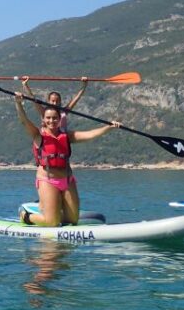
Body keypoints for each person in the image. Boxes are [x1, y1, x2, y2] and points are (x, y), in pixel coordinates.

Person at [14, 91, 120, 227]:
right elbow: (24, 121)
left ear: (59, 120)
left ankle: (48, 207)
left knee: (72, 221)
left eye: (54, 118)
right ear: (43, 120)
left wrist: (108, 128)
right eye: (48, 118)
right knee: (52, 222)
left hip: (67, 180)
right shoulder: (38, 135)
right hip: (48, 180)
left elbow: (90, 134)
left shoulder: (67, 136)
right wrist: (18, 103)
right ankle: (27, 215)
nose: (51, 121)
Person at [21, 76, 88, 131]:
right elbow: (32, 98)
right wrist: (25, 85)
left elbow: (76, 98)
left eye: (57, 101)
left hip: (61, 141)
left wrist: (84, 85)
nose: (55, 103)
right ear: (48, 101)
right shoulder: (44, 112)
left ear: (60, 102)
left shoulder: (64, 111)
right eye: (53, 101)